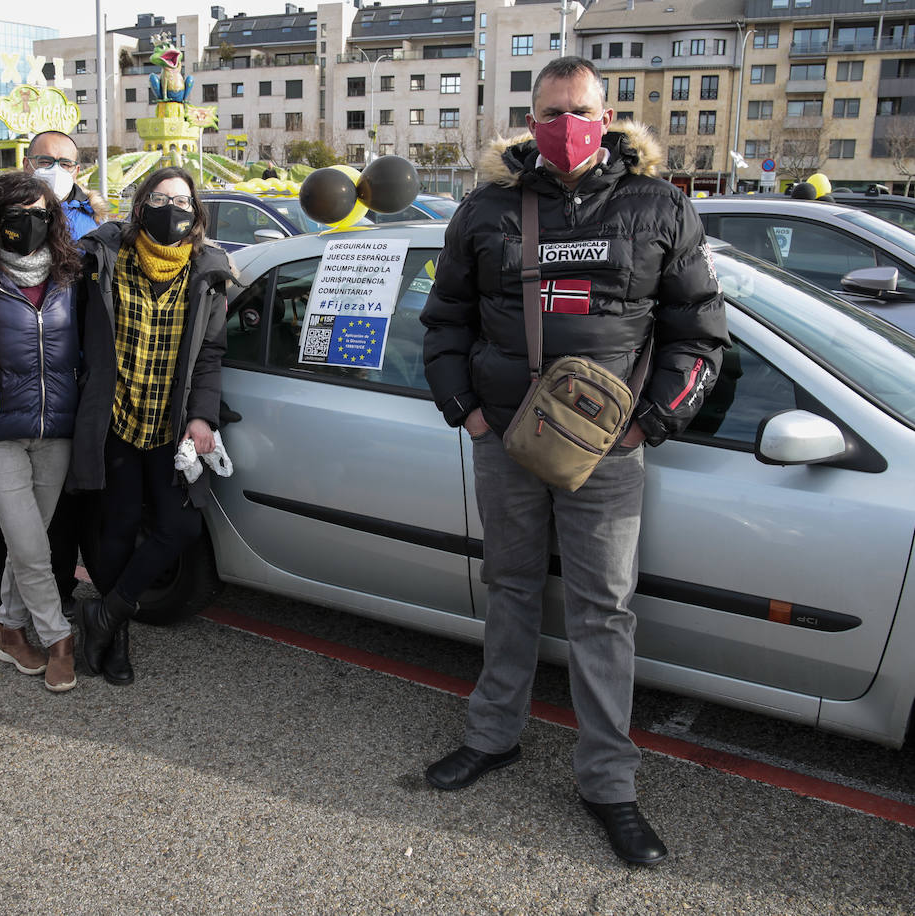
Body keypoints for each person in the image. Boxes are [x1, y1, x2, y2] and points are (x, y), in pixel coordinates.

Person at [419, 57, 727, 866]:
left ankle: (610, 786)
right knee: (511, 588)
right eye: (550, 112)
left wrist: (647, 425)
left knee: (603, 613)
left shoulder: (659, 206)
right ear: (530, 119)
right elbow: (444, 323)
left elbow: (698, 332)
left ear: (607, 113)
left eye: (579, 110)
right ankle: (493, 737)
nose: (564, 125)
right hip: (508, 441)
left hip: (606, 456)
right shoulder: (485, 209)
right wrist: (471, 414)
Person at [71, 166, 232, 686]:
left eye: (183, 202)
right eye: (161, 199)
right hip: (116, 418)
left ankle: (106, 612)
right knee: (117, 526)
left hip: (170, 424)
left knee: (179, 526)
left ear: (197, 214)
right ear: (140, 207)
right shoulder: (106, 258)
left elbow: (209, 354)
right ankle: (114, 640)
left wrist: (202, 415)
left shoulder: (208, 272)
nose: (172, 210)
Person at [0, 128, 104, 633]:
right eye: (46, 159)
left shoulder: (83, 239)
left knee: (43, 528)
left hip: (58, 416)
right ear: (27, 162)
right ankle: (48, 632)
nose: (57, 168)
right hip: (0, 421)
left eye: (67, 162)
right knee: (15, 531)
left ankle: (17, 619)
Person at [0, 172, 81, 692]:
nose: (30, 224)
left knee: (25, 540)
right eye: (17, 214)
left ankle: (10, 631)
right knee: (34, 546)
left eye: (41, 213)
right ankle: (59, 638)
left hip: (56, 428)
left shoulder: (69, 275)